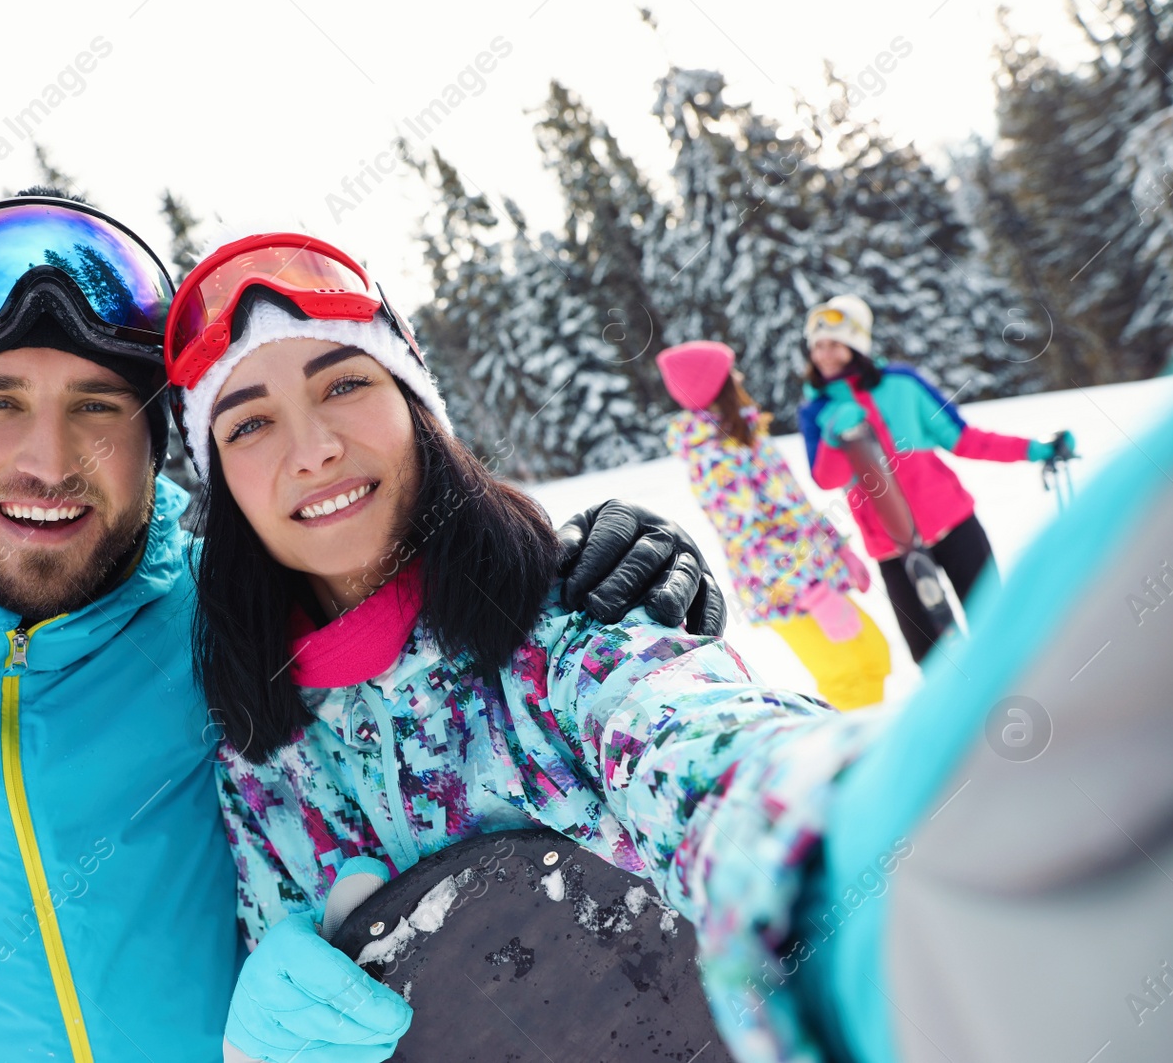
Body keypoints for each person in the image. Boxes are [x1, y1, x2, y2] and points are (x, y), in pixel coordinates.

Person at [0, 194, 721, 1062]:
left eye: (101, 408)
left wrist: (584, 569)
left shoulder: (243, 620)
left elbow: (437, 654)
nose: (50, 459)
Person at [163, 232, 884, 1063]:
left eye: (347, 382)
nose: (313, 448)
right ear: (220, 486)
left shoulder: (565, 634)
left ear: (418, 411)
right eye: (248, 422)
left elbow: (704, 751)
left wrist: (847, 831)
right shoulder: (261, 761)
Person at [797, 295, 1074, 663]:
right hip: (892, 547)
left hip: (953, 525)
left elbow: (962, 438)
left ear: (855, 343)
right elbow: (826, 479)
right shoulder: (815, 411)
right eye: (817, 346)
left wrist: (1032, 449)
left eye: (833, 343)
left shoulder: (901, 385)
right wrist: (833, 436)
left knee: (998, 629)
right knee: (932, 658)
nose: (824, 354)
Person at [660, 340, 891, 710]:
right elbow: (746, 539)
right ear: (715, 386)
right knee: (849, 675)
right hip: (784, 589)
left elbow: (792, 506)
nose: (740, 376)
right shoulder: (714, 456)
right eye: (729, 371)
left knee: (874, 658)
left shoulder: (747, 436)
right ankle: (864, 755)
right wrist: (809, 592)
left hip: (813, 571)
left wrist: (839, 549)